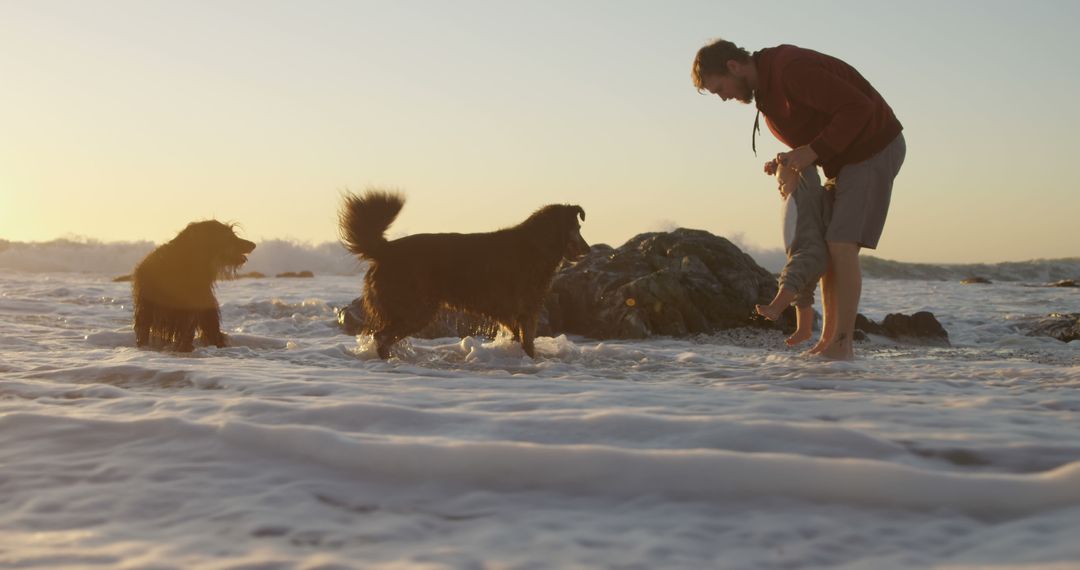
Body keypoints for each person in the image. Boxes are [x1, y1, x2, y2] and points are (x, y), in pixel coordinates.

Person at [691, 39, 906, 359]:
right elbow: (816, 133)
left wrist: (812, 152)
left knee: (842, 245)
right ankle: (828, 341)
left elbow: (859, 107)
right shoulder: (766, 95)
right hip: (843, 162)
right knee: (827, 248)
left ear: (733, 67)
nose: (724, 97)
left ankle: (842, 345)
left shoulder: (790, 70)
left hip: (873, 149)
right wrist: (789, 159)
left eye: (719, 88)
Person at [754, 160, 828, 348]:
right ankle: (804, 329)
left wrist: (791, 158)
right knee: (802, 294)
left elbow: (807, 167)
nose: (780, 188)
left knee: (790, 276)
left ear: (799, 176)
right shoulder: (789, 197)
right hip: (801, 253)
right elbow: (787, 171)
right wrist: (777, 166)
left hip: (810, 251)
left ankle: (775, 308)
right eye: (778, 184)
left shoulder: (806, 192)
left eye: (783, 183)